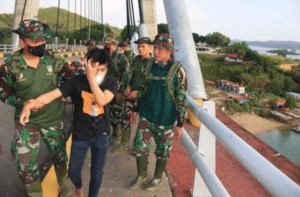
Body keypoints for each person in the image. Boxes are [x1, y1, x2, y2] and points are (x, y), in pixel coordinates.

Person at [20, 48, 118, 197]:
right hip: (80, 133)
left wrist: (91, 77)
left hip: (101, 133)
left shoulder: (111, 82)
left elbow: (102, 100)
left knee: (97, 173)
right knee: (72, 172)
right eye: (93, 68)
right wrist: (29, 105)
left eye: (101, 69)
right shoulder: (76, 81)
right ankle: (78, 186)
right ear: (85, 64)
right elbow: (52, 95)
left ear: (107, 69)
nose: (97, 72)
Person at [0, 20, 73, 197]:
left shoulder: (53, 58)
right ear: (22, 42)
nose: (40, 45)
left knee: (60, 156)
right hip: (26, 122)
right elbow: (3, 92)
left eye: (42, 41)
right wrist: (22, 102)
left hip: (53, 119)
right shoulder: (10, 65)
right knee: (25, 165)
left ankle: (63, 181)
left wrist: (63, 92)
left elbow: (70, 78)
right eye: (34, 42)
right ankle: (34, 193)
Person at [129, 34, 188, 191]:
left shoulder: (178, 71)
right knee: (139, 147)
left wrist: (180, 124)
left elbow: (182, 99)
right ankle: (142, 175)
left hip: (165, 120)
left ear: (169, 51)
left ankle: (156, 177)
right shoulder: (148, 67)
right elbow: (142, 89)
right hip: (146, 117)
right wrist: (135, 109)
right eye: (154, 48)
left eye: (159, 49)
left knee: (162, 152)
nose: (155, 52)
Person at [113, 37, 153, 153]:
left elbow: (149, 82)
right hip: (132, 94)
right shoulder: (136, 60)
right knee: (126, 117)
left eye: (143, 46)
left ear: (150, 48)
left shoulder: (152, 63)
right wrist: (129, 86)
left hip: (144, 96)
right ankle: (124, 142)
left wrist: (138, 91)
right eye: (139, 46)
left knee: (143, 123)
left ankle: (139, 146)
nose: (140, 49)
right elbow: (132, 75)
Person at [103, 33, 129, 148]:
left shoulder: (121, 58)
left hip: (116, 91)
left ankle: (116, 136)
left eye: (105, 43)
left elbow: (125, 76)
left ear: (110, 44)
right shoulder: (105, 56)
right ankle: (110, 134)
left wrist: (120, 92)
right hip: (106, 90)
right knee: (108, 113)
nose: (103, 45)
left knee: (117, 114)